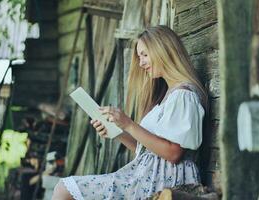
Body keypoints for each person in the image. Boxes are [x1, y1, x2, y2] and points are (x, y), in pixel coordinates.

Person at [52, 25, 208, 200]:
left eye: (144, 55)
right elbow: (149, 150)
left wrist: (128, 124)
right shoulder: (168, 95)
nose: (141, 63)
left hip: (164, 181)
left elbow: (173, 153)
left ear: (163, 51)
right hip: (147, 177)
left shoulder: (184, 95)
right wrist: (117, 132)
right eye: (139, 56)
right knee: (64, 188)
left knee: (64, 189)